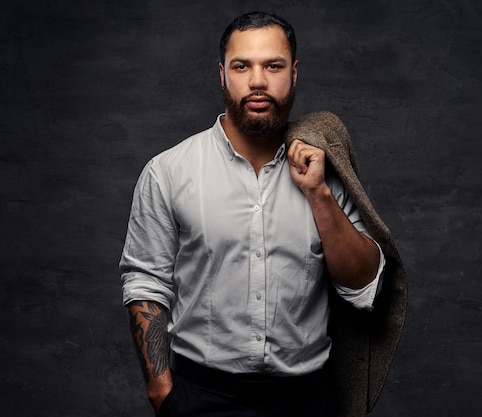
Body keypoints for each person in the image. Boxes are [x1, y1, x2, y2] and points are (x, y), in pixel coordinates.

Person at [120, 11, 406, 417]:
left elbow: (363, 285)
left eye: (273, 65)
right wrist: (161, 389)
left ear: (294, 73)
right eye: (242, 66)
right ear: (222, 75)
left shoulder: (326, 172)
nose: (257, 80)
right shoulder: (168, 172)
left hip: (306, 401)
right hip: (201, 397)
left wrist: (318, 192)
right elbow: (146, 281)